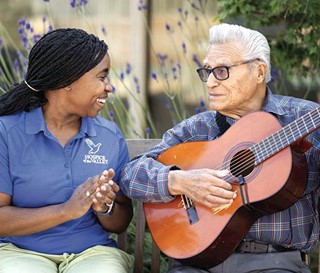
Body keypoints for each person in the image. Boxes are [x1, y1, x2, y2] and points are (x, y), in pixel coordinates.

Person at [120, 23, 320, 273]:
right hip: (197, 264)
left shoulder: (305, 118)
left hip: (275, 263)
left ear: (259, 71)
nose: (211, 82)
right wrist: (180, 181)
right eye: (208, 72)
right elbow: (130, 174)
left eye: (222, 71)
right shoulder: (196, 129)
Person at [0, 28, 134, 273]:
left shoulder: (109, 136)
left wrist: (106, 208)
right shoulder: (7, 133)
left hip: (93, 254)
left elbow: (121, 220)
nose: (109, 87)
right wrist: (66, 210)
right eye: (101, 77)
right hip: (19, 252)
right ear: (67, 81)